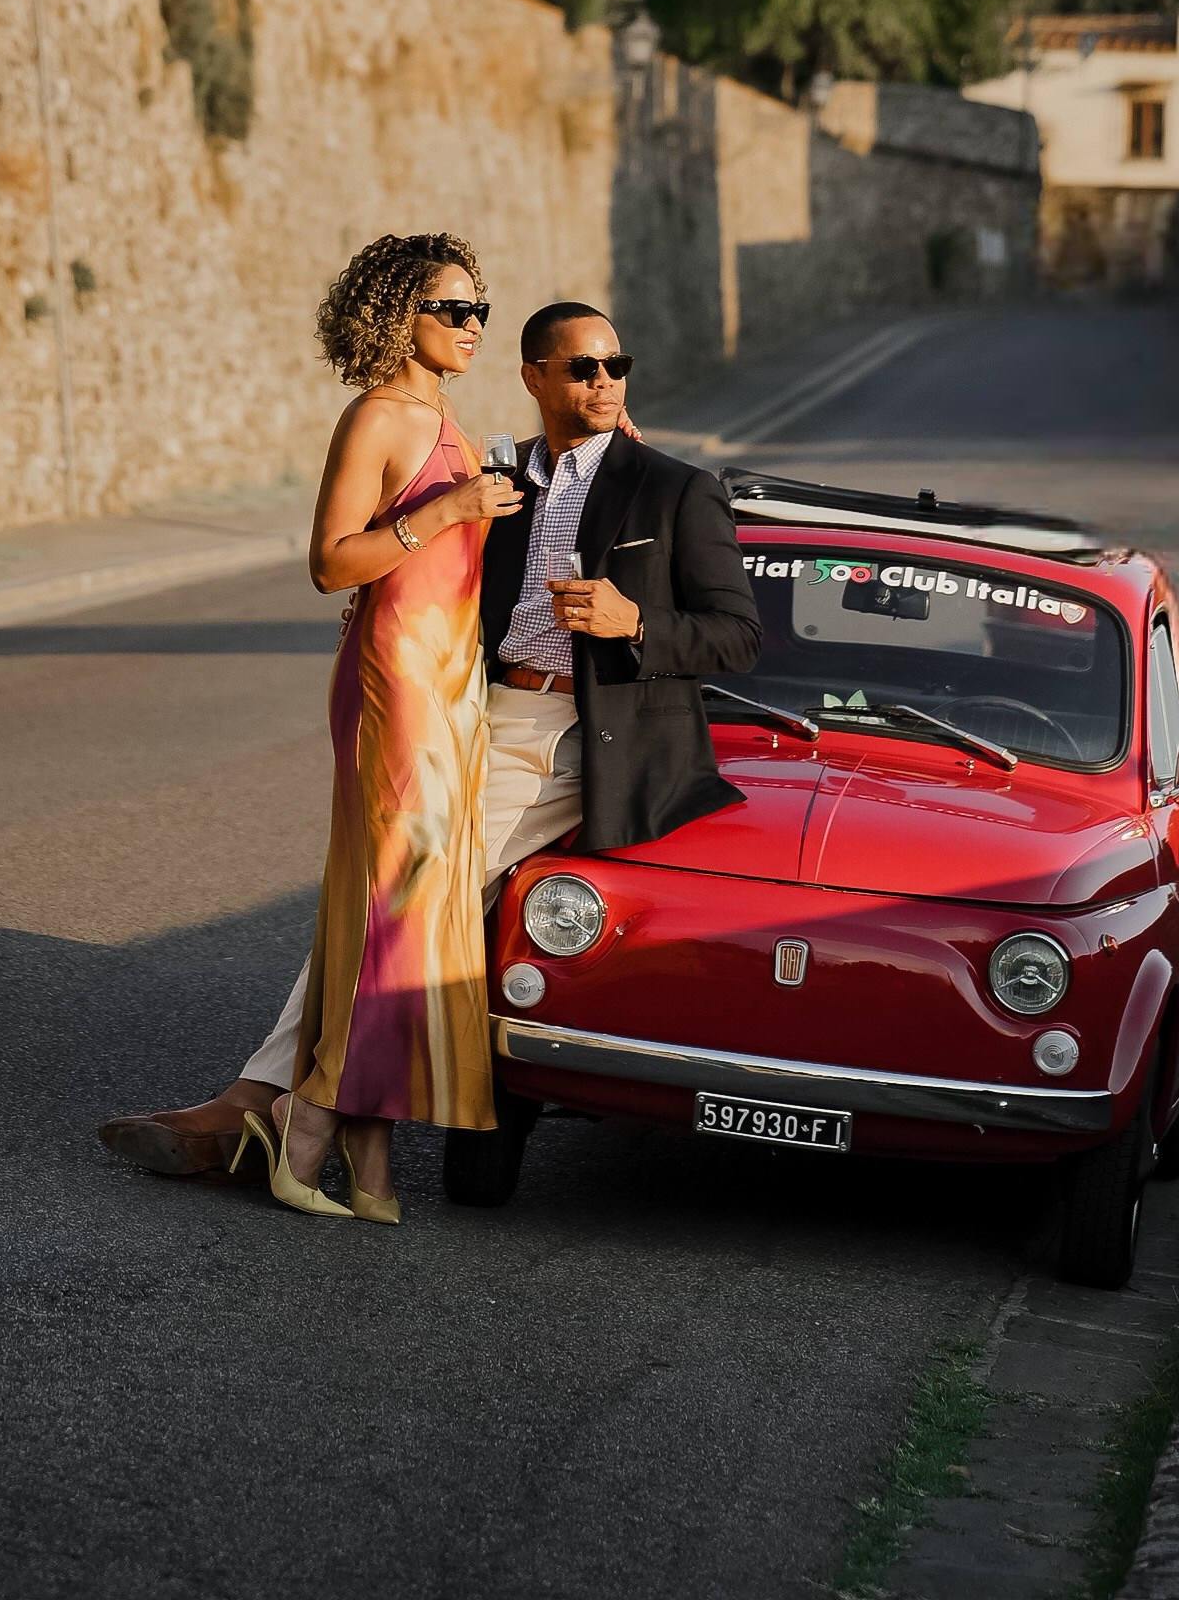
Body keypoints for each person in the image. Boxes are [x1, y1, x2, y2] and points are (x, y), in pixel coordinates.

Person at [99, 295, 763, 1195]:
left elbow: (737, 635)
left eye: (617, 366)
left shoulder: (672, 486)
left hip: (579, 737)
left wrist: (632, 619)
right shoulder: (499, 481)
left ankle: (266, 1101)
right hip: (468, 709)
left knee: (407, 890)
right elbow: (416, 570)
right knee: (385, 890)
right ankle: (292, 1106)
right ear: (535, 378)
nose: (605, 381)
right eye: (583, 367)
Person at [220, 231, 521, 1223]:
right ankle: (305, 1128)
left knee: (414, 909)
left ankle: (373, 1154)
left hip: (451, 679)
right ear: (402, 318)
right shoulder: (380, 418)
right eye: (453, 309)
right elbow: (330, 563)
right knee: (396, 904)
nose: (473, 326)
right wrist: (447, 512)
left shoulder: (447, 421)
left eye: (479, 309)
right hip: (395, 673)